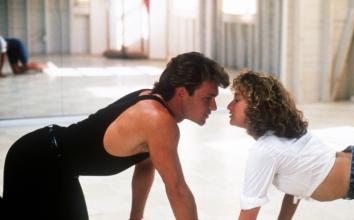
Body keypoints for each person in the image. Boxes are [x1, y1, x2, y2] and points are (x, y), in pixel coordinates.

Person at [0, 51, 230, 220]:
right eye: (207, 98)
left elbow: (146, 165)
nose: (213, 106)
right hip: (36, 161)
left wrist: (135, 217)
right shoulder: (159, 120)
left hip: (53, 162)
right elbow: (177, 190)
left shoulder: (155, 104)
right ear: (182, 93)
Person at [227, 70, 354, 220]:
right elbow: (296, 188)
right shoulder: (281, 136)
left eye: (236, 99)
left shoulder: (265, 150)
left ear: (258, 105)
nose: (228, 106)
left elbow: (249, 211)